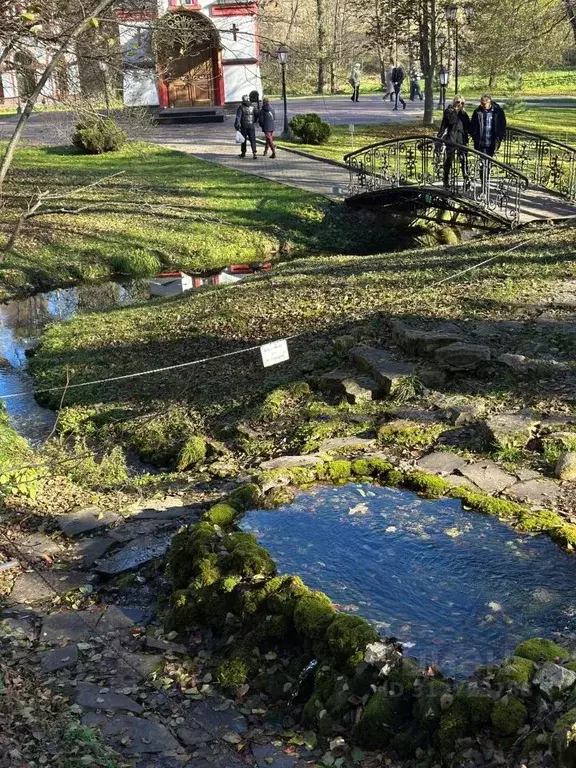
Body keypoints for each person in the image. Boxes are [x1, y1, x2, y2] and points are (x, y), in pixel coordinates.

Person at [470, 94, 507, 187]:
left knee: (489, 163)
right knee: (482, 163)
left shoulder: (498, 112)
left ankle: (486, 180)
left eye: (484, 104)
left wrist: (499, 138)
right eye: (481, 104)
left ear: (489, 103)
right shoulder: (477, 112)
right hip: (481, 143)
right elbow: (472, 126)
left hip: (492, 142)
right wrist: (475, 136)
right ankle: (483, 183)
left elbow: (503, 126)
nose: (482, 106)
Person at [437, 94, 471, 189]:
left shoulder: (464, 114)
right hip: (451, 137)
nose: (460, 104)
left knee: (463, 159)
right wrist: (439, 138)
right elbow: (448, 122)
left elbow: (468, 126)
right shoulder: (449, 111)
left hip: (461, 138)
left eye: (462, 103)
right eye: (458, 102)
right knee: (449, 159)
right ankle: (446, 180)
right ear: (454, 102)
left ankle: (466, 180)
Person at [235, 94, 258, 159]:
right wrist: (254, 121)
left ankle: (243, 152)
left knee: (243, 140)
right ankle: (254, 152)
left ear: (243, 100)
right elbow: (256, 115)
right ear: (248, 99)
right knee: (252, 139)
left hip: (244, 125)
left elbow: (238, 117)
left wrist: (237, 125)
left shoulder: (241, 107)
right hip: (251, 125)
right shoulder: (253, 107)